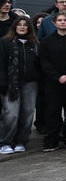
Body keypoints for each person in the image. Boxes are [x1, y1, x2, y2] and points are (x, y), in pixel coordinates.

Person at [39, 10, 66, 152]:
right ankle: (52, 139)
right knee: (53, 111)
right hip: (53, 82)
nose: (62, 22)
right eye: (60, 20)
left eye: (65, 20)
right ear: (54, 23)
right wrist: (57, 77)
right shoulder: (47, 41)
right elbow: (44, 61)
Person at [0, 16, 39, 154]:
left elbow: (38, 64)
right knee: (11, 113)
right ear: (14, 26)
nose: (22, 27)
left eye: (25, 25)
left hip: (30, 83)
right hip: (11, 84)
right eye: (19, 24)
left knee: (27, 113)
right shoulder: (5, 42)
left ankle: (21, 141)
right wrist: (3, 82)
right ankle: (5, 142)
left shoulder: (34, 44)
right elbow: (1, 63)